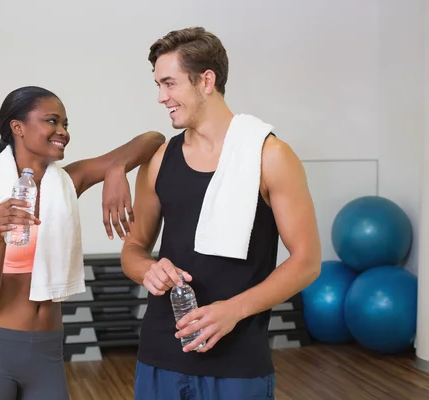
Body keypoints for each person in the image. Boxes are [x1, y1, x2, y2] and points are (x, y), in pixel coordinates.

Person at [121, 27, 321, 399]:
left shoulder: (271, 156)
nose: (161, 97)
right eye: (158, 85)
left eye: (169, 84)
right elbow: (133, 248)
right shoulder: (160, 160)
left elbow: (307, 262)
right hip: (160, 355)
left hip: (238, 363)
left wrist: (233, 310)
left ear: (206, 80)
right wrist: (148, 269)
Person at [0, 85, 166, 400]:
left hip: (47, 353)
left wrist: (117, 168)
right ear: (17, 127)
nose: (62, 131)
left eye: (66, 124)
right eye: (52, 121)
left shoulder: (67, 183)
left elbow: (153, 139)